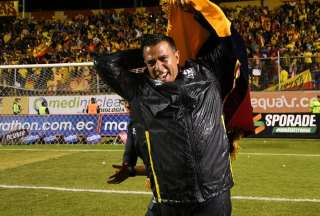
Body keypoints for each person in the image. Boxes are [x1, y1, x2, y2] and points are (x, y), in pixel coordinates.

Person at [95, 0, 253, 215]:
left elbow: (226, 37)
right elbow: (104, 64)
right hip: (170, 199)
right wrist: (152, 49)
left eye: (163, 59)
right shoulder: (140, 89)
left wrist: (198, 5)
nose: (158, 68)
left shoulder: (207, 72)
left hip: (215, 195)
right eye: (151, 63)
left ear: (177, 56)